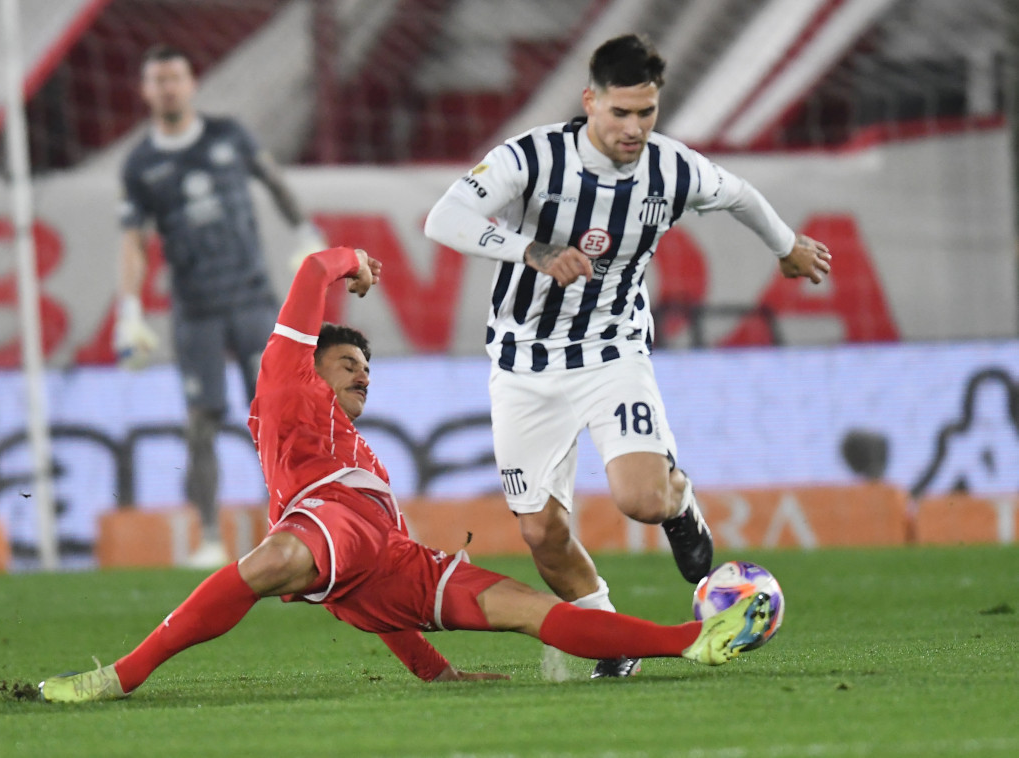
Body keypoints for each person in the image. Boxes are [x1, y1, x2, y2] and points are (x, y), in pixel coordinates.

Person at [39, 247, 775, 702]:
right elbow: (312, 267)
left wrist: (433, 673)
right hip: (325, 522)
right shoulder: (284, 381)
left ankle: (691, 639)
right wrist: (352, 259)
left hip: (381, 555)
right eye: (347, 364)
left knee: (524, 607)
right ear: (309, 359)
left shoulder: (364, 459)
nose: (362, 376)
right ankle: (121, 676)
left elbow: (370, 589)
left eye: (367, 368)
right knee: (278, 557)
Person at [423, 34, 831, 678]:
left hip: (612, 353)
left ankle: (679, 502)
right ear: (590, 102)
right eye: (620, 113)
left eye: (647, 113)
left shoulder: (672, 169)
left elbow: (741, 195)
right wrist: (533, 252)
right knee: (541, 536)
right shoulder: (533, 156)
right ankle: (615, 640)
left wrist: (786, 248)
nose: (634, 128)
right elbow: (442, 219)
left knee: (640, 499)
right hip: (522, 366)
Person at [113, 44, 325, 568]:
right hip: (197, 310)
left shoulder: (230, 134)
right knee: (201, 420)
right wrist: (129, 309)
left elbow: (274, 182)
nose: (168, 88)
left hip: (252, 297)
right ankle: (210, 537)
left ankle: (293, 524)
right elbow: (134, 241)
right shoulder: (141, 164)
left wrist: (304, 231)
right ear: (145, 91)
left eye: (175, 77)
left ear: (191, 83)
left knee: (275, 412)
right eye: (157, 80)